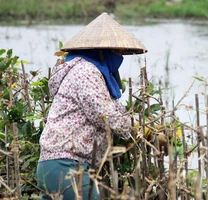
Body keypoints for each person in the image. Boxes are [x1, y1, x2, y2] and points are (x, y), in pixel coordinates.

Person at [36, 12, 147, 200]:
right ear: (102, 51)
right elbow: (105, 114)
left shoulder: (93, 73)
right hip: (65, 164)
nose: (120, 58)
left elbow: (112, 108)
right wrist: (135, 128)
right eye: (117, 52)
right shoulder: (85, 71)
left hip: (58, 164)